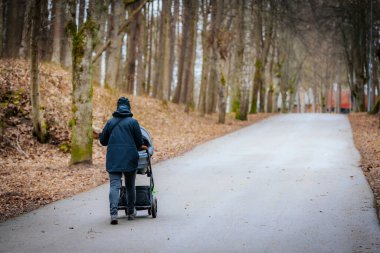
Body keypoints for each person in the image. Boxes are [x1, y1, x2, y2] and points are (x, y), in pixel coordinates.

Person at [99, 97, 147, 225]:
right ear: (129, 107)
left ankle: (113, 214)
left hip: (113, 158)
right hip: (129, 158)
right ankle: (131, 212)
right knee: (130, 185)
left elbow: (103, 141)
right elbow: (139, 143)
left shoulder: (110, 122)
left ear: (117, 107)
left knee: (114, 185)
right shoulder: (133, 122)